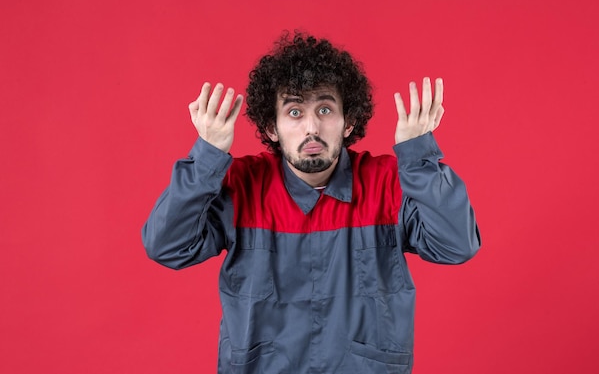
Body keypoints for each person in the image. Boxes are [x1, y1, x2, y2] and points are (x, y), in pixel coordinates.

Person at [142, 31, 481, 373]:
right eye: (294, 112)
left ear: (348, 121)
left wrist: (418, 160)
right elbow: (168, 246)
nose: (312, 127)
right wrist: (207, 158)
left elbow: (455, 246)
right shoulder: (241, 186)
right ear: (271, 128)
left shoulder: (389, 183)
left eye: (324, 108)